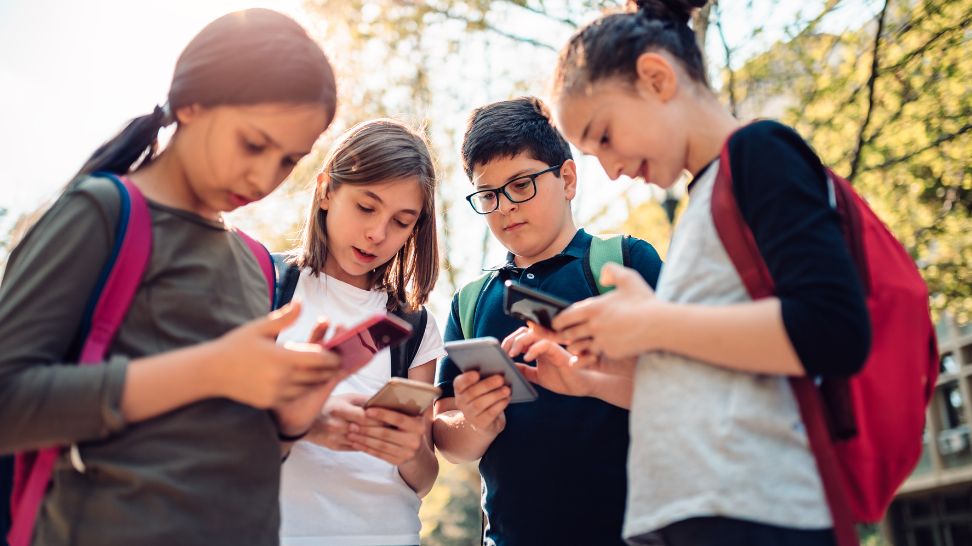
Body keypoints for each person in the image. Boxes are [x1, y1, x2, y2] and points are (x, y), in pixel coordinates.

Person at [0, 9, 340, 546]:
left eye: (288, 160)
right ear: (192, 102)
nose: (264, 177)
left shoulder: (255, 262)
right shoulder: (104, 212)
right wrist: (208, 370)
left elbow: (226, 442)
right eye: (253, 144)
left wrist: (289, 419)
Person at [545, 1, 872, 544]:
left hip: (758, 515)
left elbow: (833, 329)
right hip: (701, 516)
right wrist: (616, 357)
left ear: (656, 78)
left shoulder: (759, 152)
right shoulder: (706, 198)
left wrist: (653, 325)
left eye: (603, 136)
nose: (613, 170)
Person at [432, 96, 663, 546]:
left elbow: (690, 390)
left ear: (568, 178)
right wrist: (477, 423)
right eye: (488, 195)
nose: (505, 207)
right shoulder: (470, 302)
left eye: (521, 185)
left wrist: (593, 377)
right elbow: (447, 433)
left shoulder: (625, 264)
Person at [277, 119, 444, 546]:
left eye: (401, 221)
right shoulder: (266, 286)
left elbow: (423, 480)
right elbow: (213, 433)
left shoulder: (414, 324)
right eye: (366, 207)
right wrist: (302, 423)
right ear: (326, 189)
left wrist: (410, 450)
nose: (378, 234)